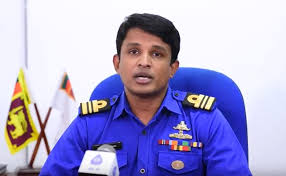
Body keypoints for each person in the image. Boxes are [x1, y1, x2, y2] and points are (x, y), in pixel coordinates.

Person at [40, 13, 252, 175]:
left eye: (157, 54)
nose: (144, 62)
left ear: (172, 68)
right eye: (134, 52)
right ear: (117, 63)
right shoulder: (90, 124)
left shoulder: (205, 121)